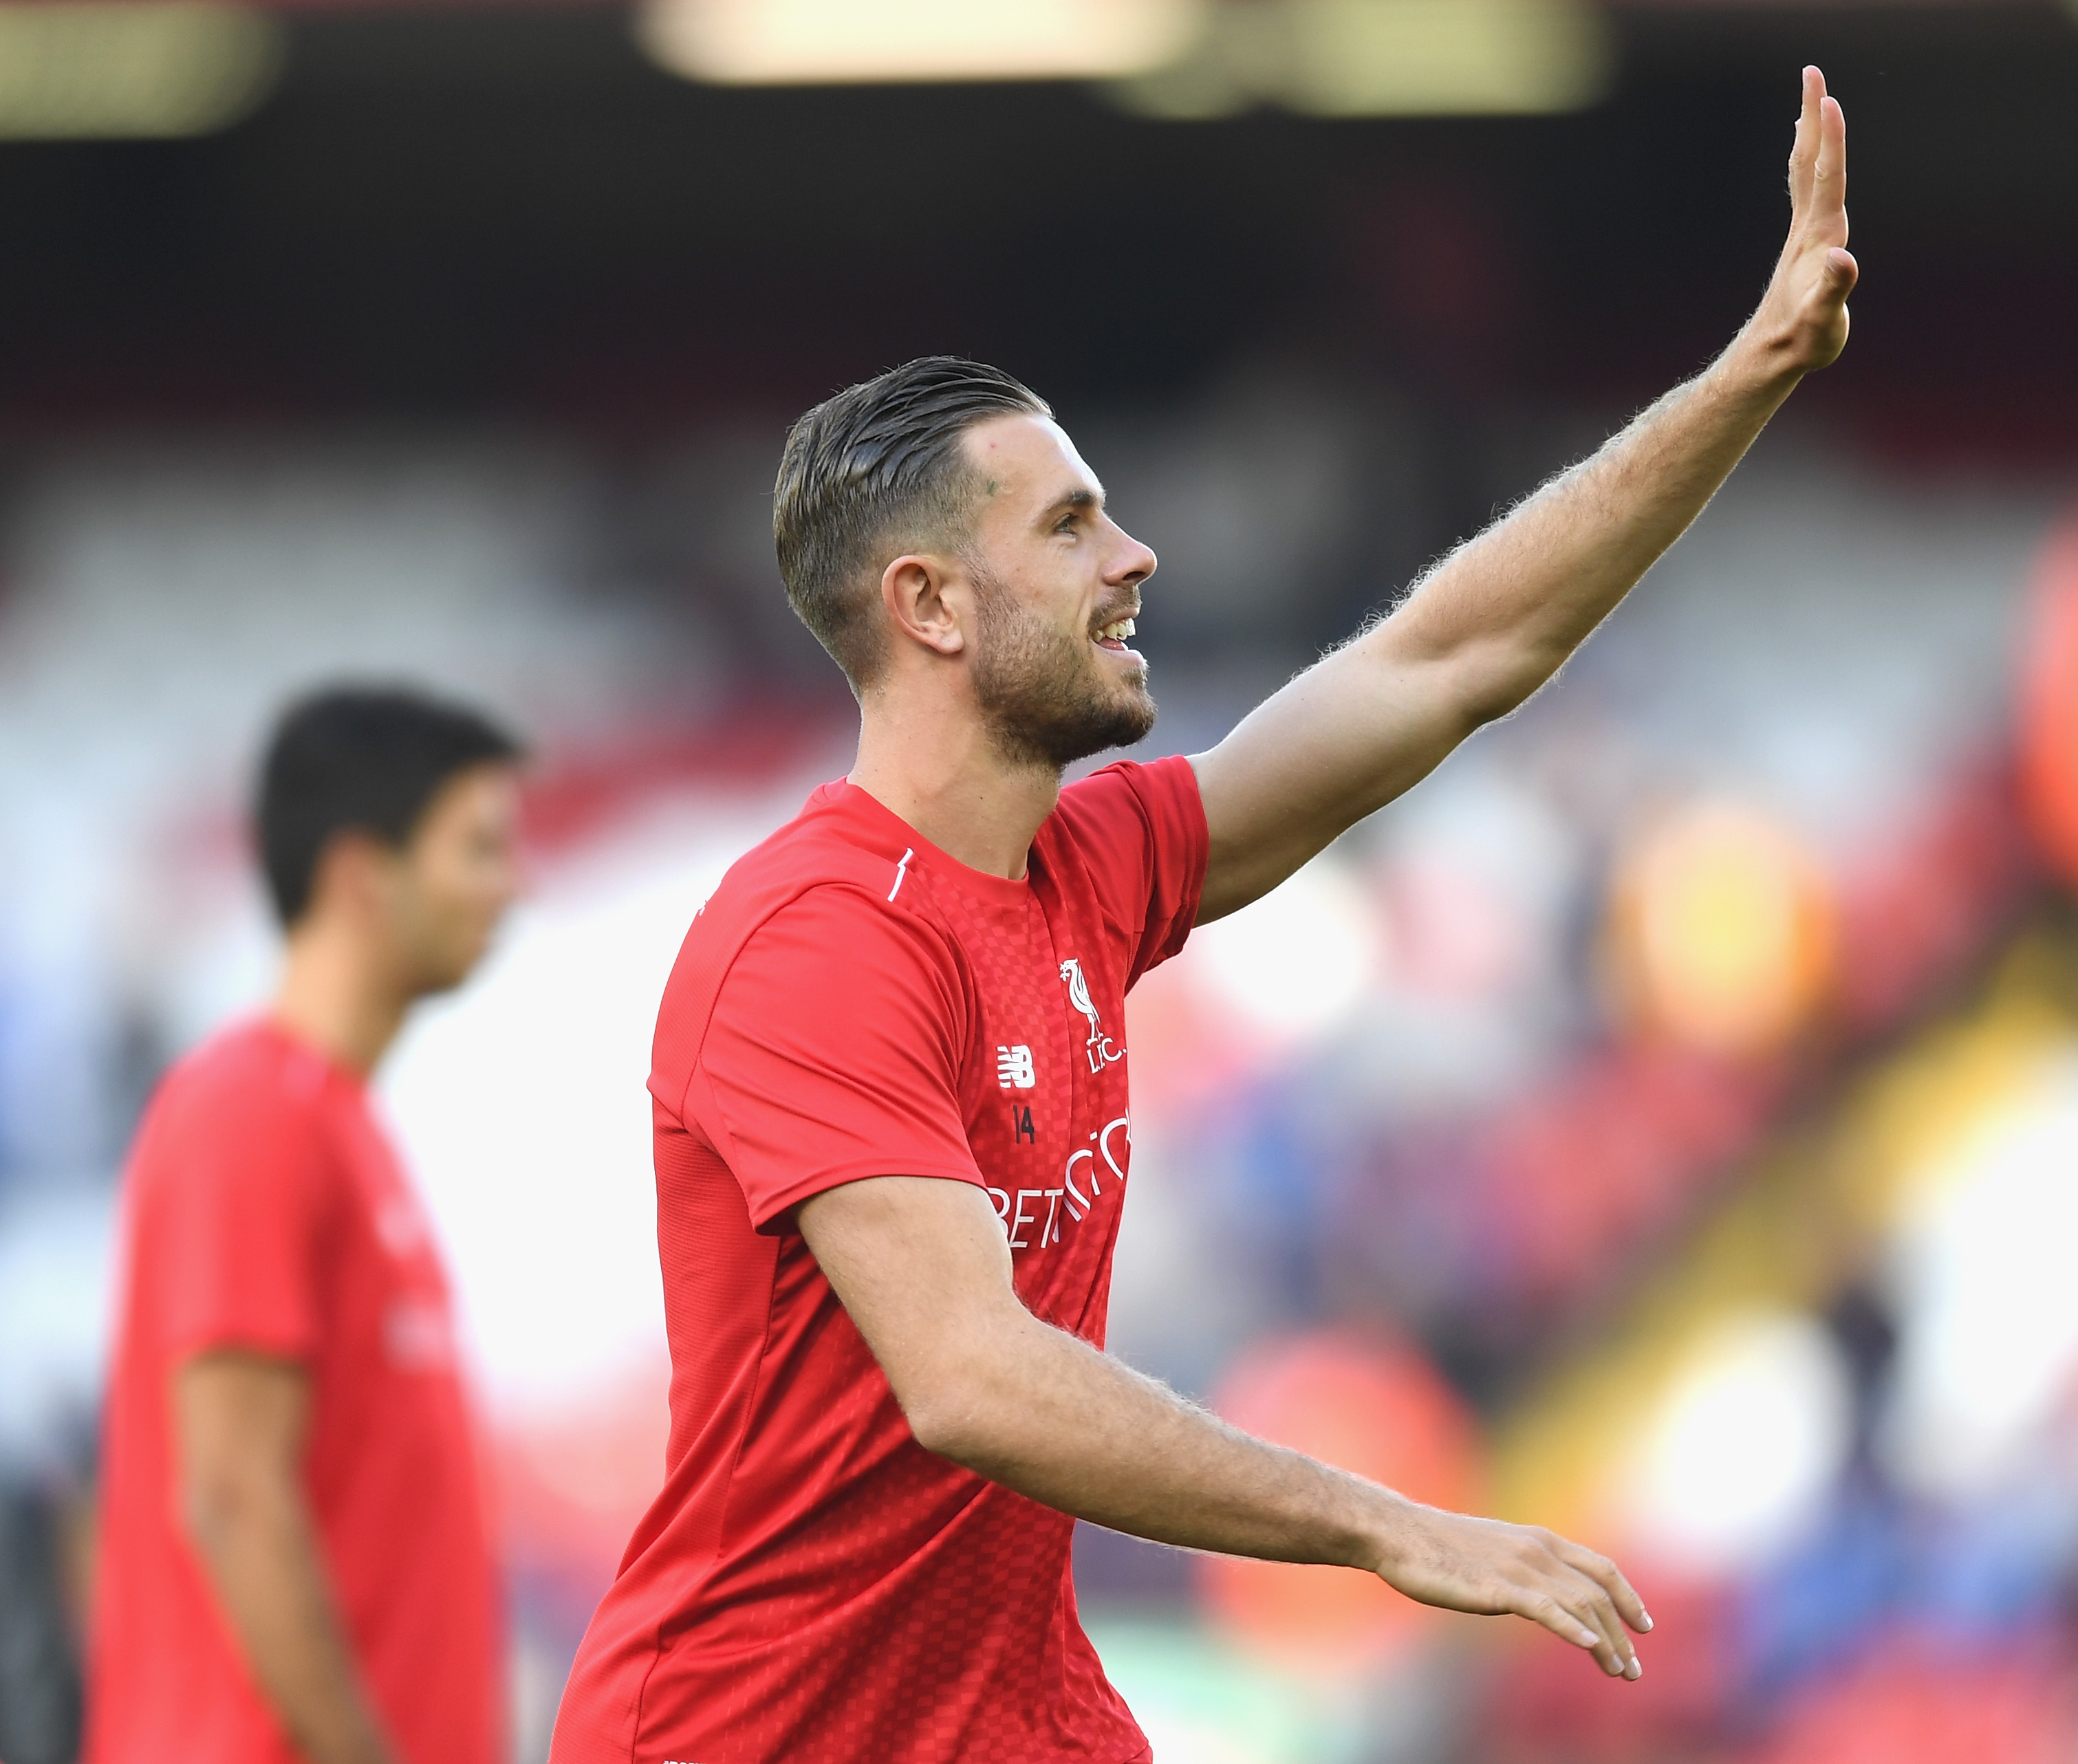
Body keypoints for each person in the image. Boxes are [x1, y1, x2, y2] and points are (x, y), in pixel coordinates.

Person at [552, 65, 1856, 1764]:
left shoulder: (1091, 865)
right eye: (1074, 522)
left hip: (1005, 1717)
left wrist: (1742, 379)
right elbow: (973, 1377)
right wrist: (1386, 1521)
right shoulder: (815, 939)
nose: (1138, 555)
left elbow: (1449, 655)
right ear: (929, 606)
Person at [85, 688, 524, 1764]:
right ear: (357, 877)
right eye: (476, 847)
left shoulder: (339, 1127)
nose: (508, 888)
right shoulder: (246, 1112)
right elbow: (233, 1494)